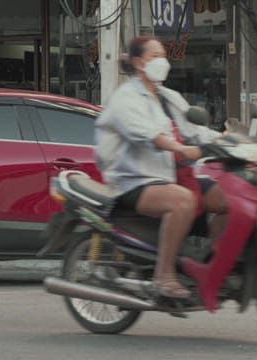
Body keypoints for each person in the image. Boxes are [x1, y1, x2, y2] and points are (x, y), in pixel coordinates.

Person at [95, 36, 202, 299]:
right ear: (137, 62)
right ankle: (163, 275)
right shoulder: (125, 98)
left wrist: (230, 141)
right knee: (183, 201)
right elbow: (148, 135)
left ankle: (204, 267)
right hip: (132, 183)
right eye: (154, 57)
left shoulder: (168, 96)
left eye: (163, 55)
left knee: (221, 196)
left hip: (165, 177)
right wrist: (179, 148)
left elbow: (196, 130)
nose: (162, 61)